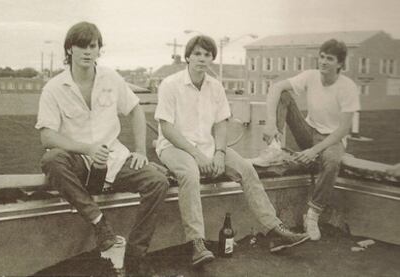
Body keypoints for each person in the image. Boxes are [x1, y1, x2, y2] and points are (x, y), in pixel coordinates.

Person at [154, 35, 309, 267]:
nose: (202, 59)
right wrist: (197, 155)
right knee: (190, 173)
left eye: (207, 55)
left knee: (246, 168)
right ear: (187, 56)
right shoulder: (170, 84)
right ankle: (196, 243)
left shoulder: (215, 86)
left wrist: (219, 153)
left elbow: (220, 124)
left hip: (208, 146)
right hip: (175, 147)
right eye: (197, 53)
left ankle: (274, 230)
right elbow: (167, 128)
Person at [35, 21, 169, 276]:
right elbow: (47, 137)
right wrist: (87, 148)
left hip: (114, 160)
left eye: (93, 46)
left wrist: (140, 150)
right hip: (79, 162)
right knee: (52, 160)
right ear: (69, 49)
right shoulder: (54, 87)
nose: (87, 51)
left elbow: (135, 110)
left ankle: (135, 255)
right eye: (81, 46)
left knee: (158, 181)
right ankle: (101, 225)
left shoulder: (111, 78)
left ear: (99, 50)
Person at [262, 39, 360, 241]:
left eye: (329, 59)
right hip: (309, 131)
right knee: (284, 94)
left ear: (340, 64)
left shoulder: (347, 87)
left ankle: (313, 214)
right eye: (322, 57)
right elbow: (276, 87)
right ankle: (273, 148)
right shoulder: (311, 76)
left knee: (332, 162)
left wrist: (314, 151)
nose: (323, 62)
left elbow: (343, 129)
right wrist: (270, 123)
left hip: (332, 140)